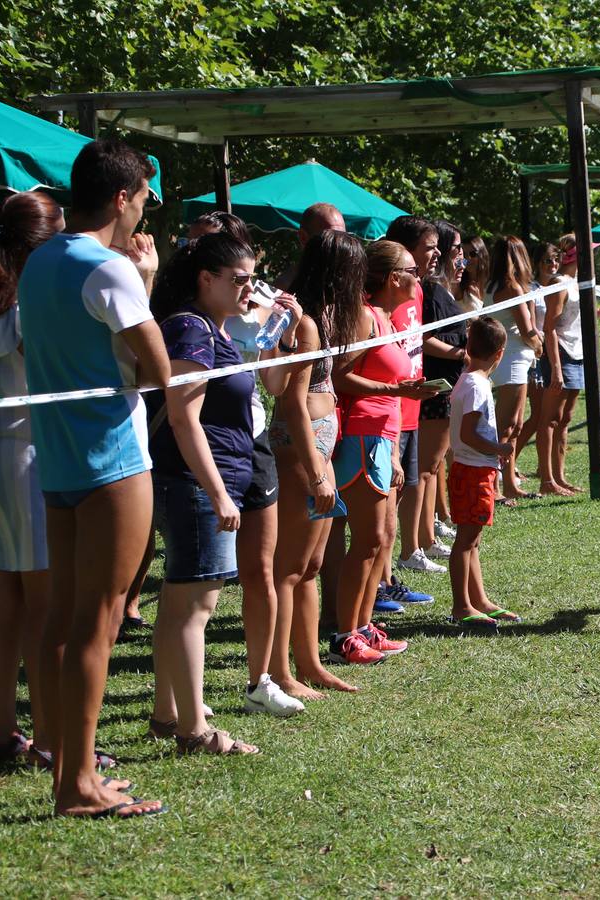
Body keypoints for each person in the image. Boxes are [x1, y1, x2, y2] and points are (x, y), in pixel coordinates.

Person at [19, 138, 171, 817]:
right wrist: (150, 276)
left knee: (60, 620)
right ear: (120, 197)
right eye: (142, 199)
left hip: (57, 462)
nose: (143, 212)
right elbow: (160, 369)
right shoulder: (108, 267)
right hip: (111, 459)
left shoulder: (38, 261)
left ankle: (65, 768)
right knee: (97, 623)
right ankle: (78, 784)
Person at [143, 233, 268, 755]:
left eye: (252, 279)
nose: (249, 289)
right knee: (197, 605)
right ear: (206, 280)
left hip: (203, 480)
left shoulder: (210, 329)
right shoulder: (191, 331)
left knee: (180, 604)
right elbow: (182, 416)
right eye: (238, 280)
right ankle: (195, 731)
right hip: (195, 482)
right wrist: (218, 493)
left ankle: (167, 714)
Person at [180, 210, 304, 719]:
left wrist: (286, 335)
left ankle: (262, 681)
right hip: (205, 443)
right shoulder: (185, 315)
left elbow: (273, 386)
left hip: (252, 442)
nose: (197, 254)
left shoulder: (259, 299)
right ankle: (188, 692)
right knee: (199, 580)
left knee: (261, 569)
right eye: (195, 247)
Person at [265, 229, 367, 696]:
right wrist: (315, 469)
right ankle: (280, 671)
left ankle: (308, 663)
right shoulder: (303, 323)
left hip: (320, 448)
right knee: (289, 566)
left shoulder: (325, 318)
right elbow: (291, 404)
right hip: (300, 450)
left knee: (312, 564)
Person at [329, 241, 437, 665]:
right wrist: (397, 389)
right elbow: (340, 376)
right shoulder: (364, 317)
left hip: (383, 437)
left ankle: (362, 625)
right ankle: (344, 635)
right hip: (361, 436)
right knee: (369, 539)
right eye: (413, 269)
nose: (419, 276)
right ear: (394, 278)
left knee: (383, 539)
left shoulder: (388, 321)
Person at [0, 192, 63, 771]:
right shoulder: (26, 301)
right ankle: (48, 738)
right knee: (43, 605)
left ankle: (7, 730)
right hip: (23, 454)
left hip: (9, 454)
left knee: (8, 603)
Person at [447, 317, 518, 630]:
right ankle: (462, 605)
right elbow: (469, 433)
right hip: (474, 470)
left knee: (471, 540)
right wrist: (498, 449)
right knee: (466, 541)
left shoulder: (468, 379)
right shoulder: (476, 385)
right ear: (500, 353)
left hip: (472, 469)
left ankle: (479, 600)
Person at [385, 216, 443, 576]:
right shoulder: (383, 298)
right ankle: (386, 576)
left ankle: (411, 551)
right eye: (429, 247)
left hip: (414, 401)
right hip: (391, 404)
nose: (436, 254)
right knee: (391, 492)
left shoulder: (417, 290)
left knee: (409, 482)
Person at [416, 220, 467, 553]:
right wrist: (461, 352)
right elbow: (424, 337)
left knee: (433, 466)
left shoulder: (444, 290)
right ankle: (421, 541)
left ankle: (430, 530)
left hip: (447, 385)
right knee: (426, 468)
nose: (461, 257)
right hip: (435, 384)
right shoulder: (431, 291)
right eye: (457, 249)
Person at [487, 235, 545, 502]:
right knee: (506, 426)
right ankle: (495, 486)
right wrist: (538, 344)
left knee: (514, 425)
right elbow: (528, 330)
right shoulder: (512, 287)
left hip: (511, 359)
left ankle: (509, 483)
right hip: (513, 361)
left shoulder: (491, 284)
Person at [530, 241, 584, 496]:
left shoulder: (577, 282)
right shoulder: (559, 284)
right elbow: (549, 328)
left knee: (565, 420)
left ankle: (559, 477)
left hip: (578, 354)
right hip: (561, 354)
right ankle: (546, 480)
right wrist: (556, 368)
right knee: (549, 419)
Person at [274, 203, 346, 292]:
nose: (339, 244)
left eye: (343, 237)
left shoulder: (346, 282)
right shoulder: (285, 286)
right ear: (303, 237)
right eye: (329, 238)